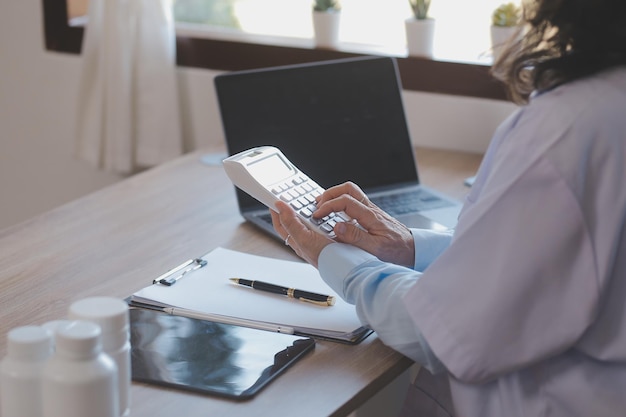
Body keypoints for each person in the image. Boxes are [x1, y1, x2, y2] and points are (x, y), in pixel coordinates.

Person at [270, 0, 626, 416]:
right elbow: (563, 259)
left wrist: (337, 261)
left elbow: (444, 333)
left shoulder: (565, 131)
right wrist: (411, 249)